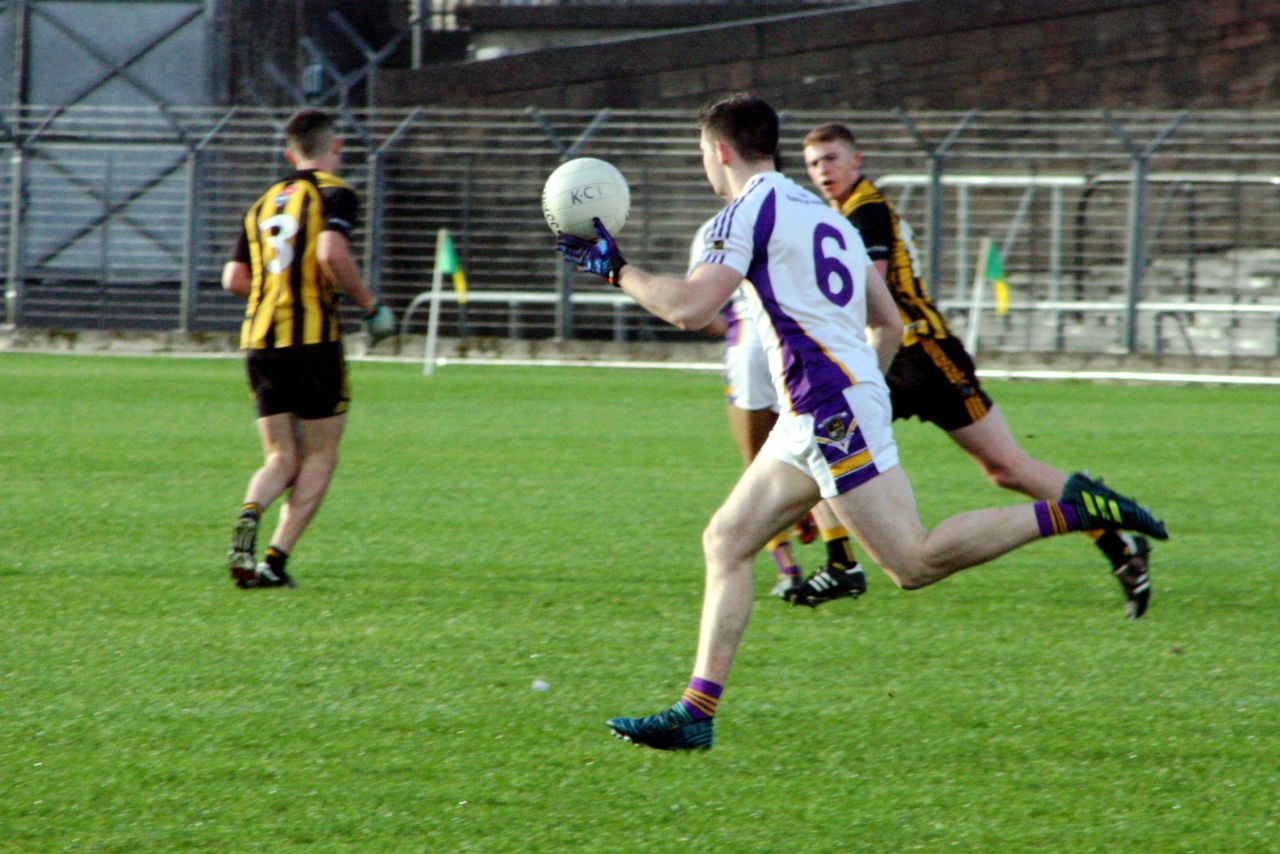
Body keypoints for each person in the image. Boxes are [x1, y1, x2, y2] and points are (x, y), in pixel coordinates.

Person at [555, 94, 1167, 751]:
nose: (705, 162)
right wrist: (861, 388)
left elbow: (689, 306)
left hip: (825, 407)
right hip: (821, 407)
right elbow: (889, 320)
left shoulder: (743, 214)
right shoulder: (824, 213)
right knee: (726, 539)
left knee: (914, 563)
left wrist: (615, 269)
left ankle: (1076, 510)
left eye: (703, 151)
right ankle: (696, 712)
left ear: (721, 151)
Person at [796, 122, 1153, 618]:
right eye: (814, 163)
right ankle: (841, 562)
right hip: (894, 358)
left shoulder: (866, 210)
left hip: (924, 356)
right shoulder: (846, 212)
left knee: (1006, 467)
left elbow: (866, 291)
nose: (822, 171)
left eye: (831, 159)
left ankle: (1116, 537)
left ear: (856, 162)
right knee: (818, 437)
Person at [221, 108, 395, 589]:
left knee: (281, 458)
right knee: (320, 454)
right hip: (314, 341)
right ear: (334, 146)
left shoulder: (262, 203)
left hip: (261, 340)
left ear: (289, 151)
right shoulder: (336, 192)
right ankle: (274, 562)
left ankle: (249, 517)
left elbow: (234, 279)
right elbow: (330, 253)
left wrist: (279, 290)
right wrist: (368, 303)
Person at [690, 217, 865, 600]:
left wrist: (731, 326)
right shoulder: (801, 219)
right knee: (813, 454)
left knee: (758, 464)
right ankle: (840, 555)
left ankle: (787, 570)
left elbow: (696, 307)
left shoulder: (717, 229)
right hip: (801, 348)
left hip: (751, 350)